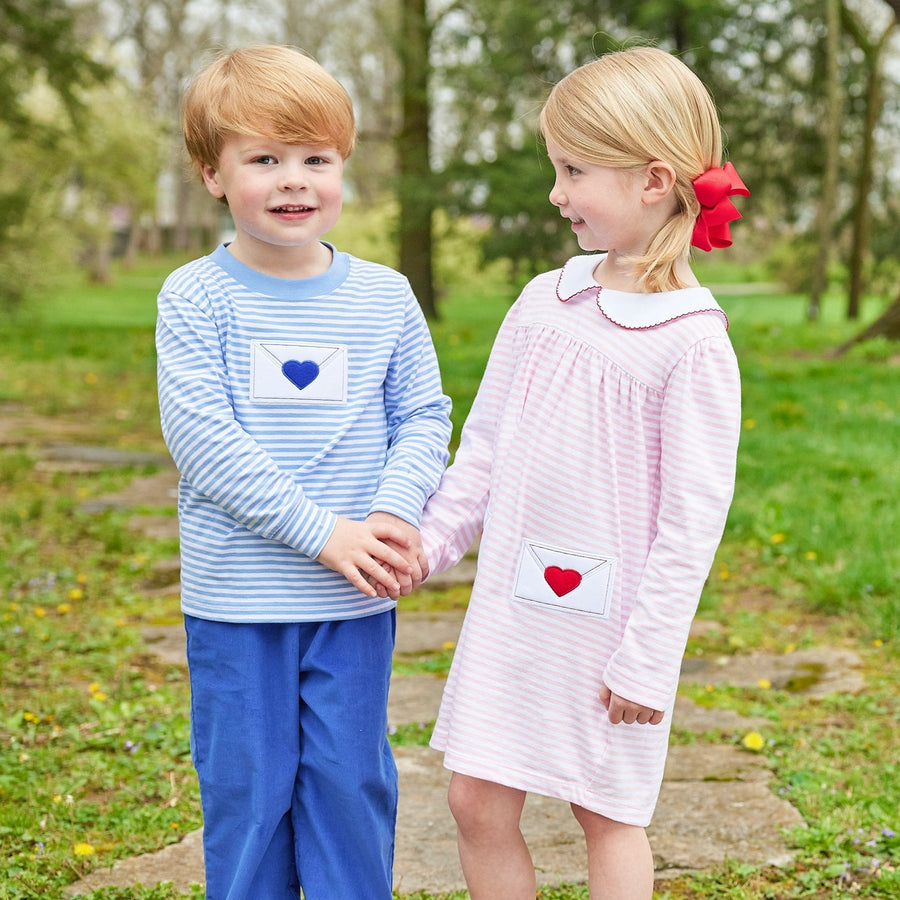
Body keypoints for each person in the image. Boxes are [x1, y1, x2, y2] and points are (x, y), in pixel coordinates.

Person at [418, 46, 748, 899]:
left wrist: (649, 658)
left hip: (612, 634)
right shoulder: (542, 302)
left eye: (573, 171)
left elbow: (692, 519)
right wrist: (427, 545)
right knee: (475, 799)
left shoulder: (693, 342)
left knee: (606, 813)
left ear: (651, 179)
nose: (557, 192)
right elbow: (483, 447)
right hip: (513, 616)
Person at [155, 45, 451, 900]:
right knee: (249, 791)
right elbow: (205, 442)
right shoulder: (195, 297)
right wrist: (323, 533)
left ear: (343, 167)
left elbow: (422, 417)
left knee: (349, 783)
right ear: (214, 175)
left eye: (315, 159)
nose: (295, 181)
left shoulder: (385, 296)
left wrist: (393, 514)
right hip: (239, 601)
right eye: (265, 160)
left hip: (352, 599)